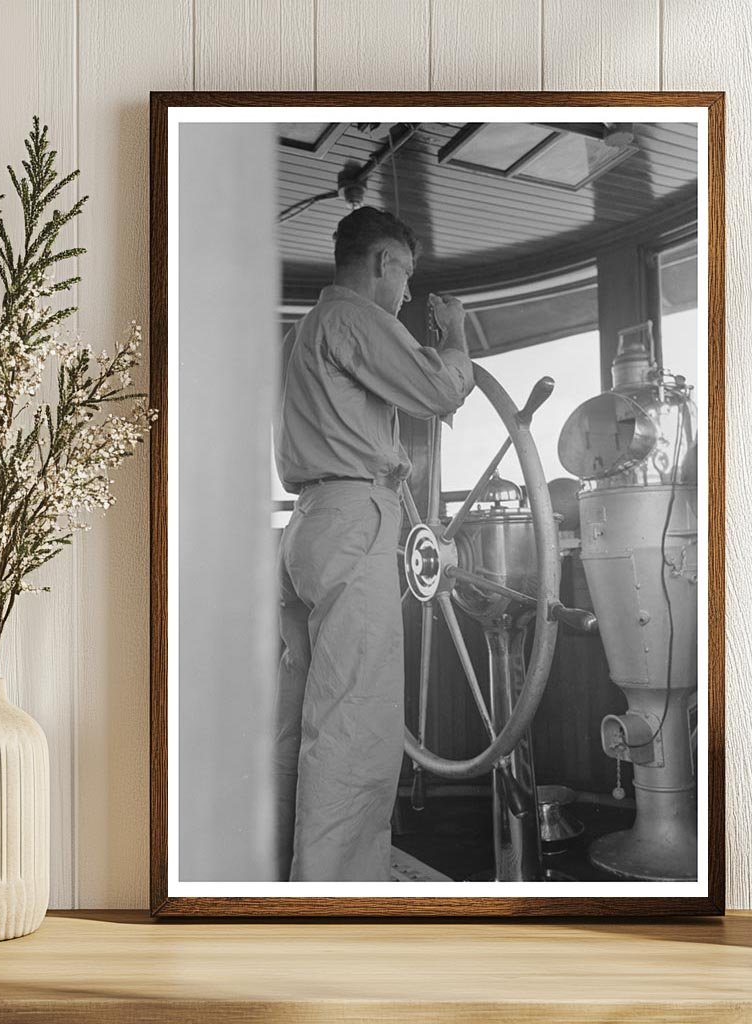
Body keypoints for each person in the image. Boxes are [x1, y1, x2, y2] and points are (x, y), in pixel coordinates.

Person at [273, 206, 474, 881]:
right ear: (384, 262)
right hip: (353, 523)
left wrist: (386, 466)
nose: (409, 294)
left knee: (301, 715)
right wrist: (455, 336)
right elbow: (439, 392)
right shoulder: (355, 317)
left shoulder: (305, 331)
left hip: (306, 526)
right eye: (407, 276)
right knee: (355, 717)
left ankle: (288, 868)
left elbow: (348, 424)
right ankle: (334, 893)